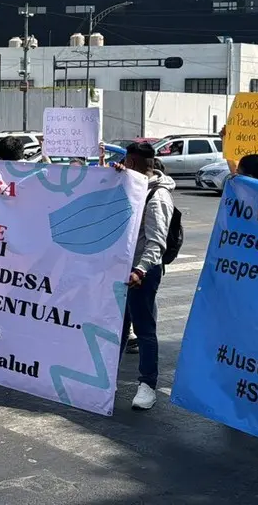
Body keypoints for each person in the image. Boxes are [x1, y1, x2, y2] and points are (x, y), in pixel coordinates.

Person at [113, 142, 176, 410]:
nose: (124, 165)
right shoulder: (133, 185)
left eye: (127, 162)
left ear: (136, 163)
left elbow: (156, 243)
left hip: (142, 272)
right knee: (117, 326)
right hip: (122, 268)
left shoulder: (157, 198)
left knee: (144, 329)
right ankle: (106, 377)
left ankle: (147, 385)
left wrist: (140, 269)